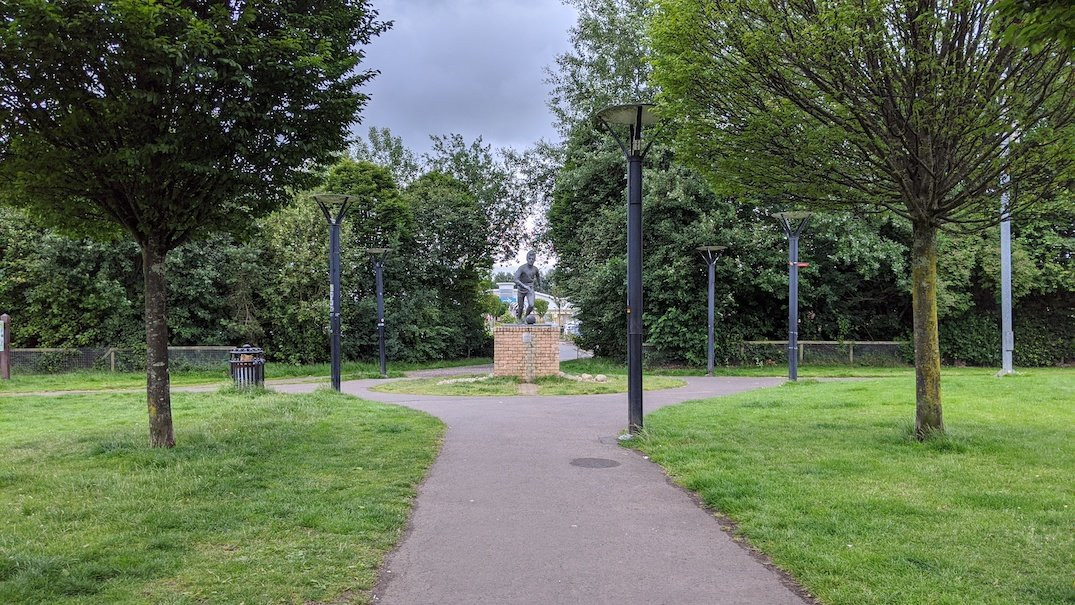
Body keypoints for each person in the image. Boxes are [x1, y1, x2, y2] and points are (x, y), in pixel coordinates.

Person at [513, 250, 541, 321]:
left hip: (530, 289)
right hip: (521, 289)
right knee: (520, 307)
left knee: (531, 305)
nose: (531, 260)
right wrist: (524, 286)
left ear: (534, 260)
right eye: (529, 258)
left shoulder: (535, 269)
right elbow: (515, 279)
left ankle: (526, 317)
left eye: (532, 259)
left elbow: (538, 276)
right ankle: (519, 320)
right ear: (527, 259)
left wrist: (539, 284)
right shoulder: (522, 268)